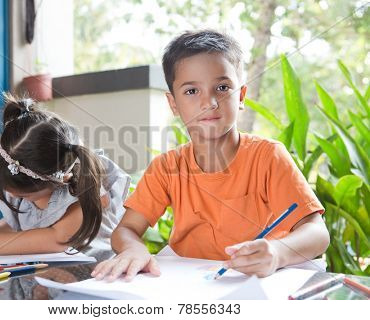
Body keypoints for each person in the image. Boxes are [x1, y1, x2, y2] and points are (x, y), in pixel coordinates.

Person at [92, 30, 329, 281]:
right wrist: (134, 248)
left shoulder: (268, 156)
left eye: (222, 87)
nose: (210, 102)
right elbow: (125, 230)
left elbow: (317, 233)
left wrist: (278, 252)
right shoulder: (166, 167)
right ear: (173, 104)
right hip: (189, 282)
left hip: (259, 281)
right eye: (192, 91)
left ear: (241, 96)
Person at [0, 93, 130, 260]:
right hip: (42, 275)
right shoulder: (30, 191)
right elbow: (22, 223)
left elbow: (56, 238)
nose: (20, 202)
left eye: (26, 198)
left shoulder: (84, 190)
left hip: (89, 278)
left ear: (58, 180)